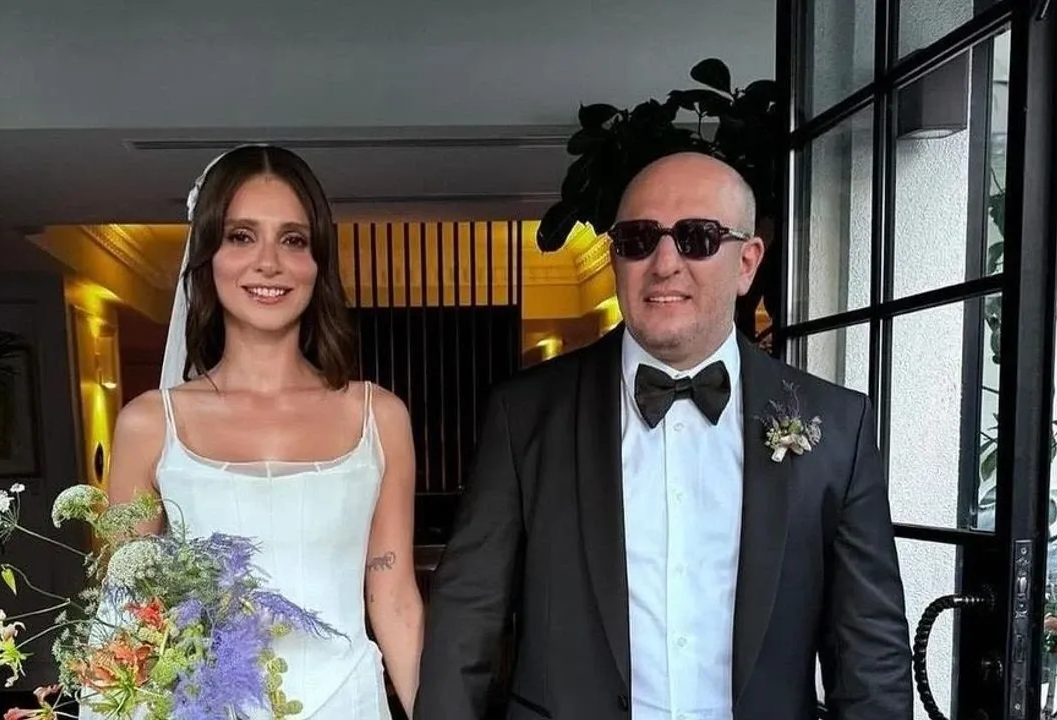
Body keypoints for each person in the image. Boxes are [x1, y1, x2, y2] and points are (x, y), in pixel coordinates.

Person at [413, 151, 912, 720]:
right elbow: (467, 619)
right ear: (615, 259)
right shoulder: (524, 415)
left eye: (698, 238)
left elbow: (869, 654)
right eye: (638, 239)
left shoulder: (837, 426)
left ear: (747, 263)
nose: (665, 263)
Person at [101, 145, 424, 719]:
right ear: (207, 255)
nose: (269, 262)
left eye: (293, 240)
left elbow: (394, 597)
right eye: (241, 236)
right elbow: (128, 613)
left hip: (349, 703)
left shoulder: (379, 417)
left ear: (317, 261)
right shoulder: (150, 424)